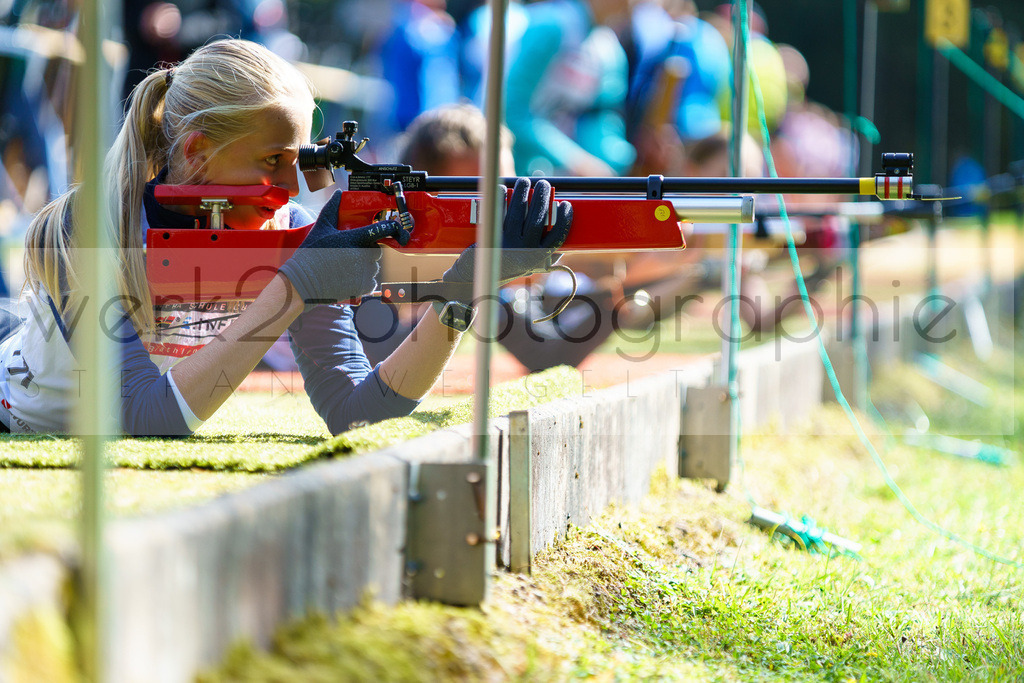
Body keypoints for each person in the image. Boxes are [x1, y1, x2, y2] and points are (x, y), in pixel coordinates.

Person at [8, 39, 571, 436]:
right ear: (197, 152)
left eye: (298, 162)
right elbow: (144, 417)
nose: (290, 187)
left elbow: (357, 413)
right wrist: (295, 288)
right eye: (271, 161)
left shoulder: (289, 232)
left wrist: (464, 290)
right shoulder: (91, 224)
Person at [504, 0, 636, 177]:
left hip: (567, 181)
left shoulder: (610, 50)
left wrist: (620, 162)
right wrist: (575, 160)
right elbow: (509, 110)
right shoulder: (550, 26)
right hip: (518, 171)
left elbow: (602, 122)